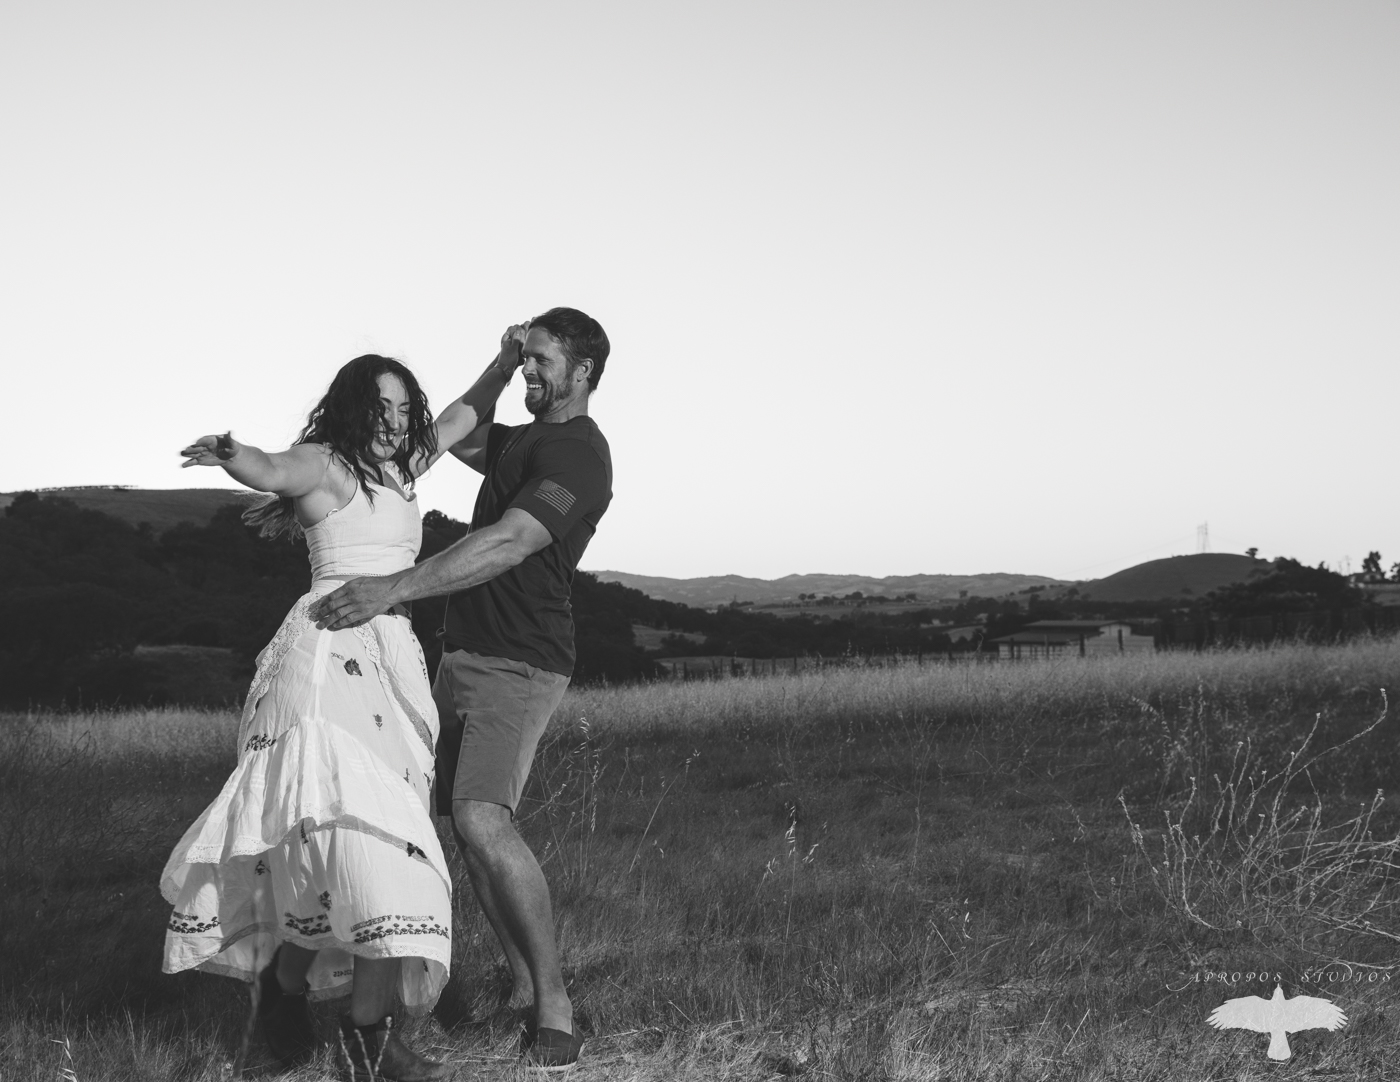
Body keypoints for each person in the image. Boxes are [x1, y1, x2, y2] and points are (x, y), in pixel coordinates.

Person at [162, 336, 526, 1082]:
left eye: (403, 407)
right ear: (356, 406)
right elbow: (271, 467)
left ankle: (294, 997)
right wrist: (233, 451)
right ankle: (364, 1040)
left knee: (370, 841)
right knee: (353, 841)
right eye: (383, 406)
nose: (396, 420)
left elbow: (462, 416)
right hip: (328, 665)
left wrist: (504, 362)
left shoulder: (403, 466)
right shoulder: (326, 465)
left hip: (393, 664)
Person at [312, 307, 612, 1071]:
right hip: (464, 656)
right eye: (530, 359)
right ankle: (519, 987)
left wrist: (394, 587)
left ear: (582, 371)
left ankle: (555, 1007)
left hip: (521, 660)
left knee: (483, 820)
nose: (534, 370)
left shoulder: (580, 455)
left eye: (544, 360)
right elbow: (442, 435)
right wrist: (501, 363)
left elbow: (510, 540)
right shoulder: (522, 440)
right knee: (461, 827)